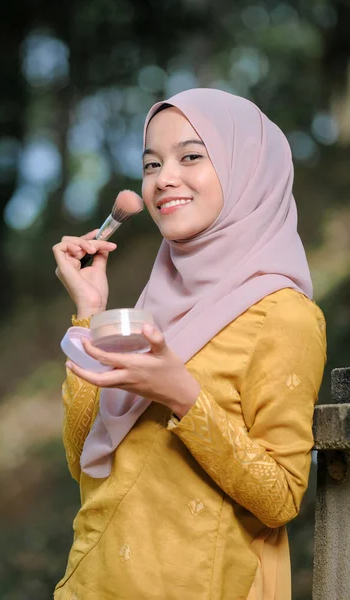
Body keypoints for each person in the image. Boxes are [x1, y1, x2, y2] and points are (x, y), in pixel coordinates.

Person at [52, 88, 326, 600]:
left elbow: (283, 497)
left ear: (248, 168)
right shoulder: (152, 306)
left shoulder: (284, 314)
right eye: (151, 164)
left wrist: (183, 395)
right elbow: (81, 457)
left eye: (192, 156)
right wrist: (89, 312)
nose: (163, 179)